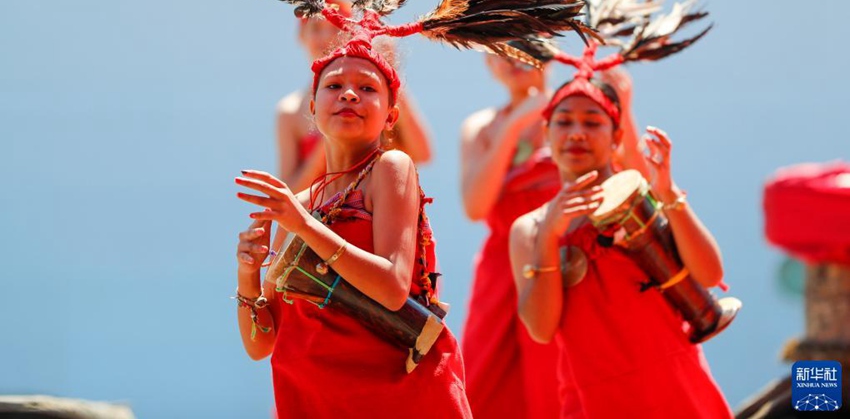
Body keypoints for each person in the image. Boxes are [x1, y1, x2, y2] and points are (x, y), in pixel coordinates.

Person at [234, 40, 472, 418]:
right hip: (312, 398)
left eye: (367, 88)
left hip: (393, 397)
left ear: (391, 117)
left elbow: (393, 288)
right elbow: (261, 344)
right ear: (313, 110)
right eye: (333, 86)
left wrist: (305, 226)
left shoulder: (390, 168)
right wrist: (247, 274)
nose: (348, 94)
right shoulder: (299, 205)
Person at [509, 74, 733, 418]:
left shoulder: (644, 195)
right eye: (564, 122)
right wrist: (550, 237)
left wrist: (669, 195)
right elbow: (540, 329)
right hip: (593, 399)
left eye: (593, 122)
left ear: (617, 138)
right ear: (547, 135)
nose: (577, 133)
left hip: (676, 387)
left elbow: (709, 274)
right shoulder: (531, 229)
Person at [459, 50, 646, 418]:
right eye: (501, 49)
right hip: (503, 271)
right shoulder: (481, 126)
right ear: (488, 62)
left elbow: (639, 186)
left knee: (565, 379)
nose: (515, 58)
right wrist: (514, 124)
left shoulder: (576, 115)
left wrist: (624, 110)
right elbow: (474, 207)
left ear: (551, 53)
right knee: (485, 384)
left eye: (526, 47)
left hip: (576, 261)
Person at [275, 0, 433, 193]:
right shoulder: (290, 111)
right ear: (301, 36)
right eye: (316, 28)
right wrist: (330, 139)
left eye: (335, 28)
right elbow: (289, 194)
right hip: (316, 217)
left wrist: (390, 75)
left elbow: (422, 153)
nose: (326, 37)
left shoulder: (373, 99)